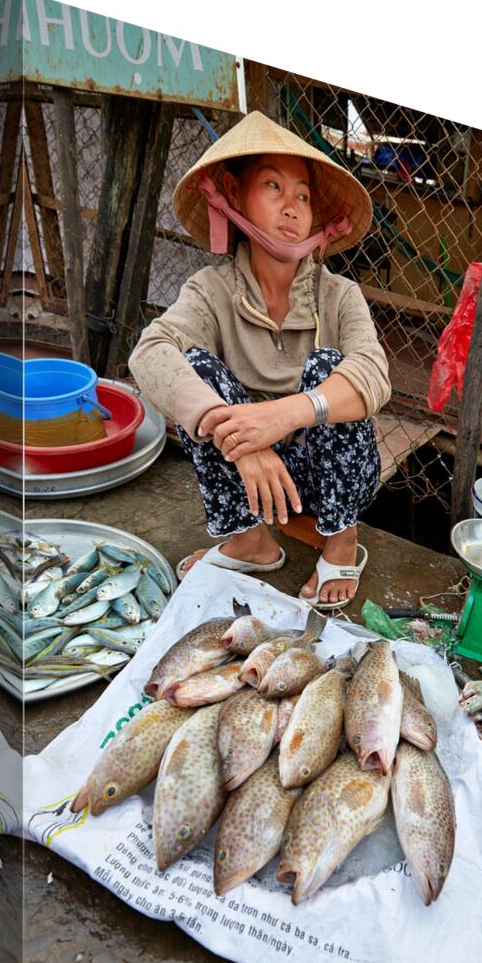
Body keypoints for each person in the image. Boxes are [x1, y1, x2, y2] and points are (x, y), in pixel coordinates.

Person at [128, 111, 391, 610]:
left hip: (325, 477)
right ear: (234, 194)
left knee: (330, 369)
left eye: (303, 196)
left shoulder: (341, 296)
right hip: (250, 474)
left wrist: (282, 415)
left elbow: (374, 374)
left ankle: (341, 541)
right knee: (197, 369)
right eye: (273, 187)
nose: (291, 208)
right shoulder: (211, 290)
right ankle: (251, 541)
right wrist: (246, 441)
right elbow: (150, 352)